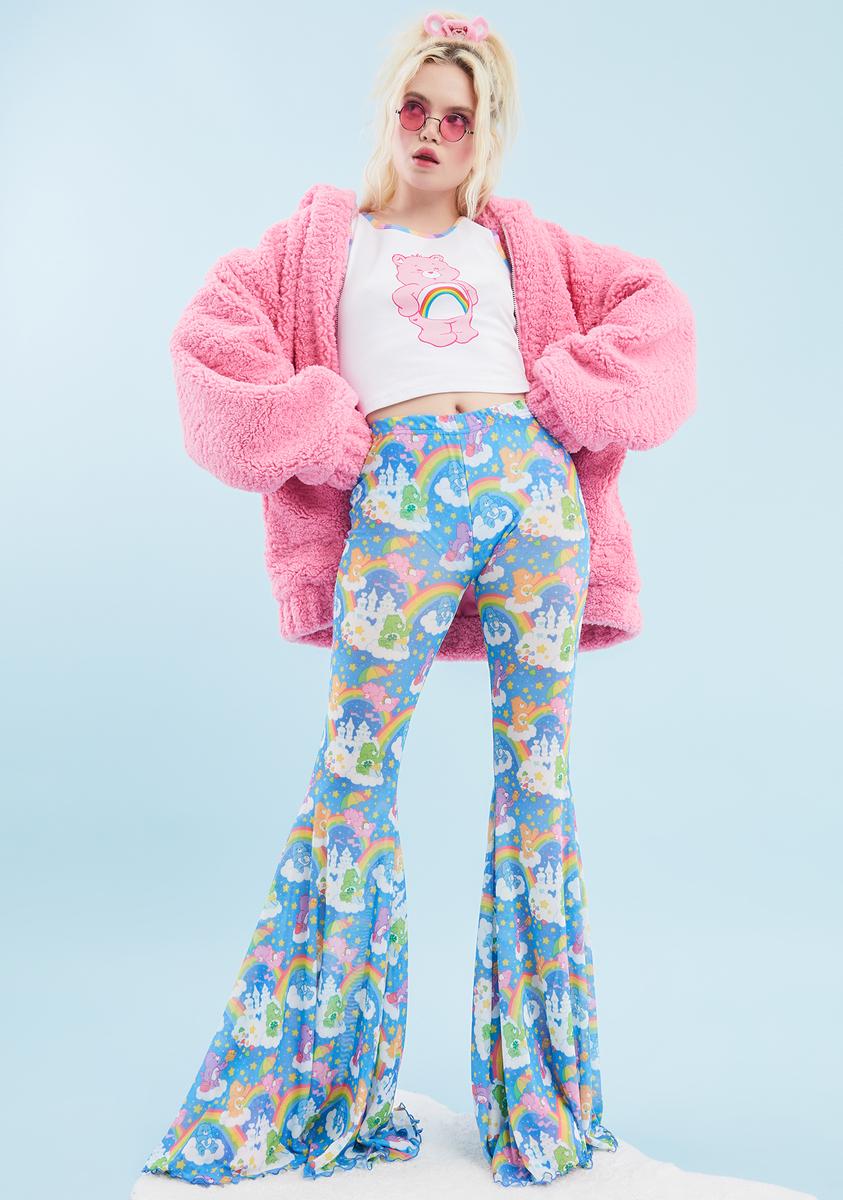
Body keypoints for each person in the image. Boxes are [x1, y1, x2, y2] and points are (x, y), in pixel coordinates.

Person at [141, 8, 696, 1190]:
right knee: (351, 778)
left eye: (460, 117)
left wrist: (573, 393)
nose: (434, 132)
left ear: (485, 134)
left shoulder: (521, 244)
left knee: (537, 788)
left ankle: (543, 1106)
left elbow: (659, 315)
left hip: (534, 501)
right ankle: (314, 1091)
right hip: (399, 498)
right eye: (416, 107)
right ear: (387, 110)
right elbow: (207, 347)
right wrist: (311, 425)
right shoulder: (319, 244)